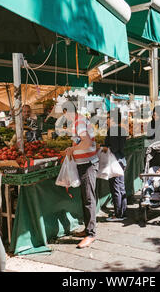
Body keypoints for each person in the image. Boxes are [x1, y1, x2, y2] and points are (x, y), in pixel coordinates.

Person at [63, 101, 99, 249]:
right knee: (85, 197)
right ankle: (87, 229)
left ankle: (91, 234)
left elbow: (86, 142)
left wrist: (72, 150)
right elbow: (80, 142)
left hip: (88, 164)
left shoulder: (79, 122)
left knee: (89, 198)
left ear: (66, 112)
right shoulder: (78, 121)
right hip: (83, 163)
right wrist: (72, 149)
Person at [101, 109, 127, 222]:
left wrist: (102, 147)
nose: (106, 120)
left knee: (115, 188)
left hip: (114, 161)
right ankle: (122, 212)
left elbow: (113, 148)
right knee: (121, 187)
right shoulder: (122, 130)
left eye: (108, 118)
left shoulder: (112, 130)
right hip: (121, 160)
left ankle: (118, 214)